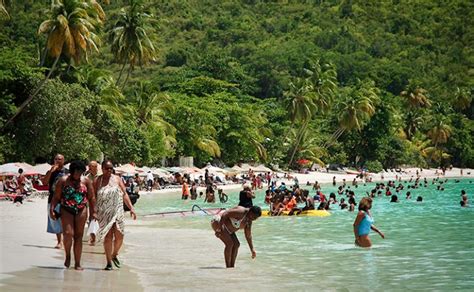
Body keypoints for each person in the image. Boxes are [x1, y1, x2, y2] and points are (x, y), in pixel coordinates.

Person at [49, 161, 96, 270]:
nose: (78, 174)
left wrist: (94, 212)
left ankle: (78, 263)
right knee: (68, 233)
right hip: (66, 209)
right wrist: (52, 210)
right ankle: (68, 256)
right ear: (72, 171)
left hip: (81, 209)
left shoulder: (86, 181)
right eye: (76, 172)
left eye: (81, 172)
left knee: (79, 236)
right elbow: (56, 197)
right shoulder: (63, 181)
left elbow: (92, 197)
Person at [94, 160, 137, 270]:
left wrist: (131, 208)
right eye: (107, 168)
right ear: (102, 169)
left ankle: (114, 254)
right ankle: (108, 262)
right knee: (108, 237)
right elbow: (93, 197)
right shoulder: (97, 180)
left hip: (118, 210)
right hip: (104, 212)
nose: (109, 170)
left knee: (119, 235)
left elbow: (124, 194)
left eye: (111, 168)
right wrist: (93, 211)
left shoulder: (117, 179)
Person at [42, 154, 67, 249]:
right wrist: (50, 171)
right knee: (55, 220)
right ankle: (59, 241)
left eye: (59, 159)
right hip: (52, 199)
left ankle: (66, 240)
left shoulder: (67, 172)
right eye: (56, 159)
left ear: (63, 160)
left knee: (65, 220)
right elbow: (44, 183)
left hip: (65, 200)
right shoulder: (51, 172)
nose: (57, 161)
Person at [86, 161, 100, 245]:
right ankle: (93, 238)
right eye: (89, 166)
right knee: (91, 219)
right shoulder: (87, 177)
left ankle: (104, 237)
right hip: (91, 201)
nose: (90, 168)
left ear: (96, 167)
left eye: (91, 166)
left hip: (101, 200)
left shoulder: (101, 176)